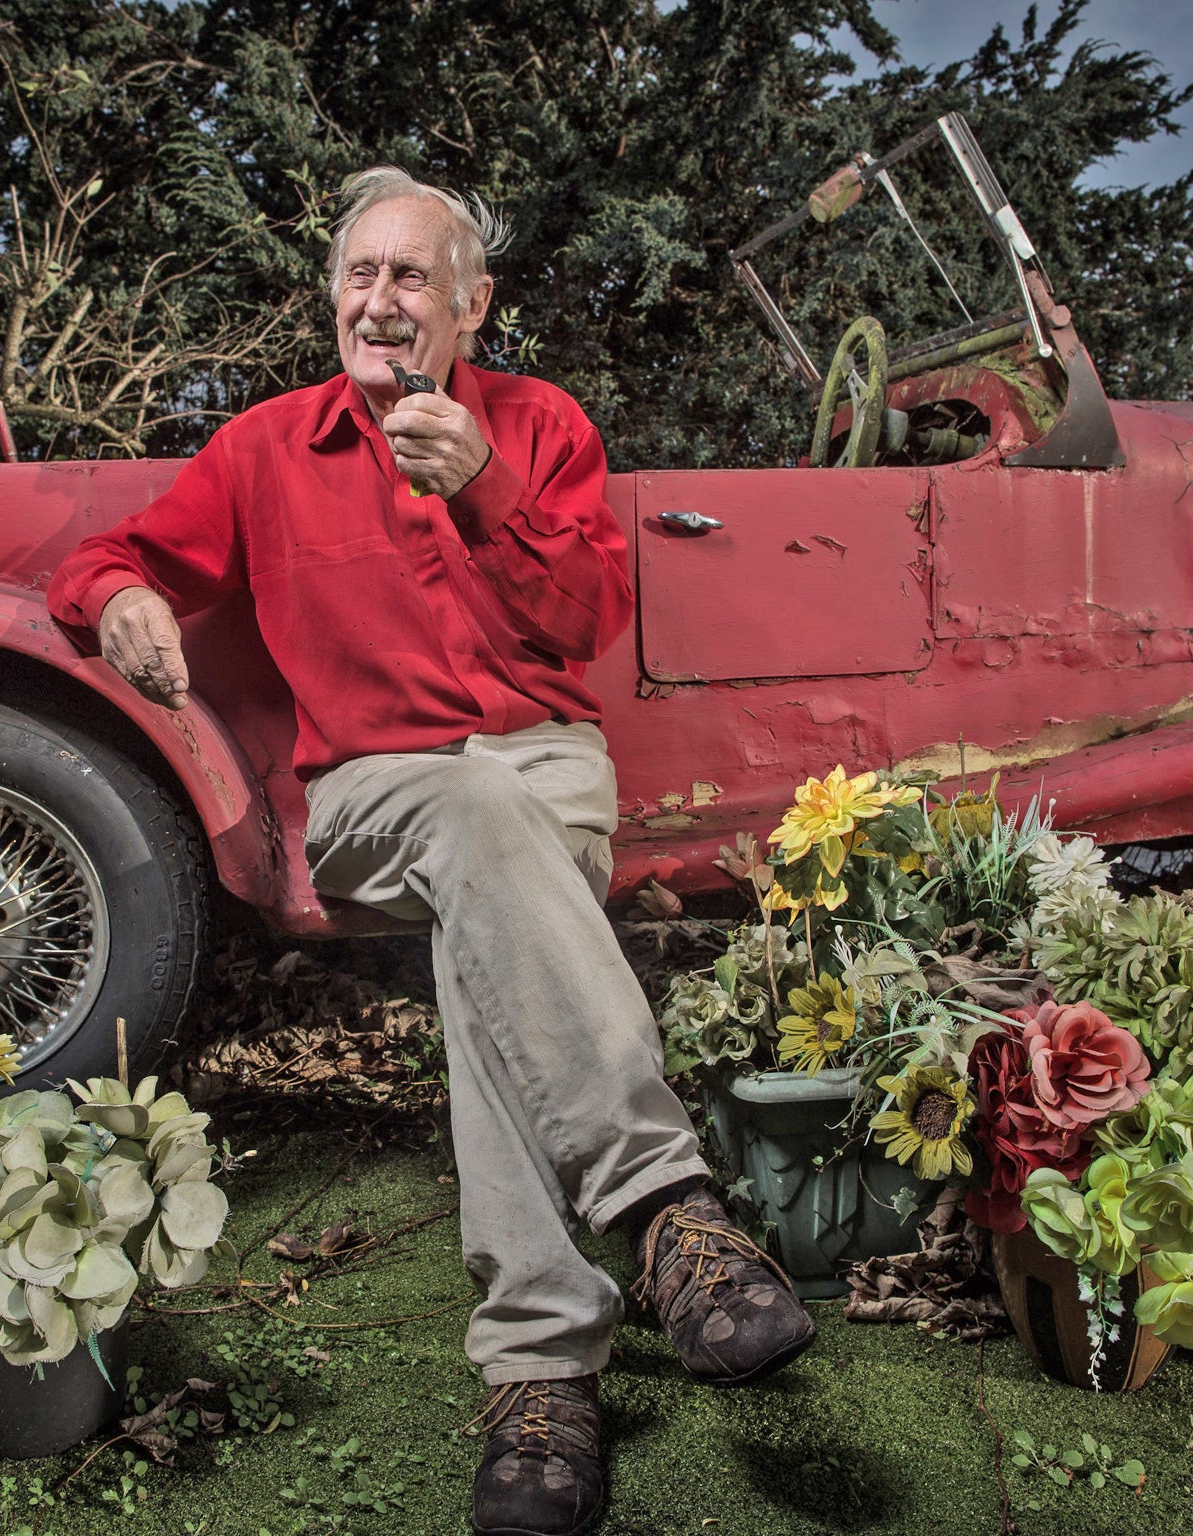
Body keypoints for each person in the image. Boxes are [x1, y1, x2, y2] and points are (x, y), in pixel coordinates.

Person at [45, 166, 815, 1536]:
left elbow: (584, 623)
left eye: (412, 278)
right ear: (333, 299)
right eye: (362, 275)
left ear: (472, 305)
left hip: (543, 767)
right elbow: (109, 556)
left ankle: (541, 1378)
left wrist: (489, 493)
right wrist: (117, 603)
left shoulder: (541, 426)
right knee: (473, 824)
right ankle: (667, 1213)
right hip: (376, 790)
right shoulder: (265, 449)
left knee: (492, 930)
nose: (382, 300)